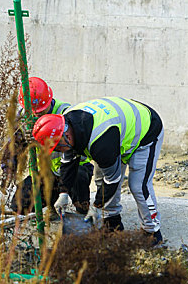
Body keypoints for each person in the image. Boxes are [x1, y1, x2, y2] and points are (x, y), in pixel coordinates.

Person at [32, 97, 164, 244]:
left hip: (146, 128)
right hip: (116, 131)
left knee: (138, 185)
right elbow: (68, 163)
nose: (58, 151)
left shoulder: (100, 143)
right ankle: (113, 223)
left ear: (67, 136)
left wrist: (96, 207)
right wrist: (63, 193)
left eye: (57, 147)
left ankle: (152, 232)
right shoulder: (65, 124)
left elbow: (113, 180)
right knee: (101, 177)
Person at [5, 77, 93, 216]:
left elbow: (73, 147)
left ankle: (83, 210)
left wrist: (42, 139)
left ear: (49, 99)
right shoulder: (23, 119)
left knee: (80, 187)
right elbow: (13, 148)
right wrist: (9, 167)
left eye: (41, 109)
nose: (37, 113)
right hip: (47, 172)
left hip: (74, 168)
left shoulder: (66, 113)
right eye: (33, 110)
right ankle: (51, 206)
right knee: (19, 204)